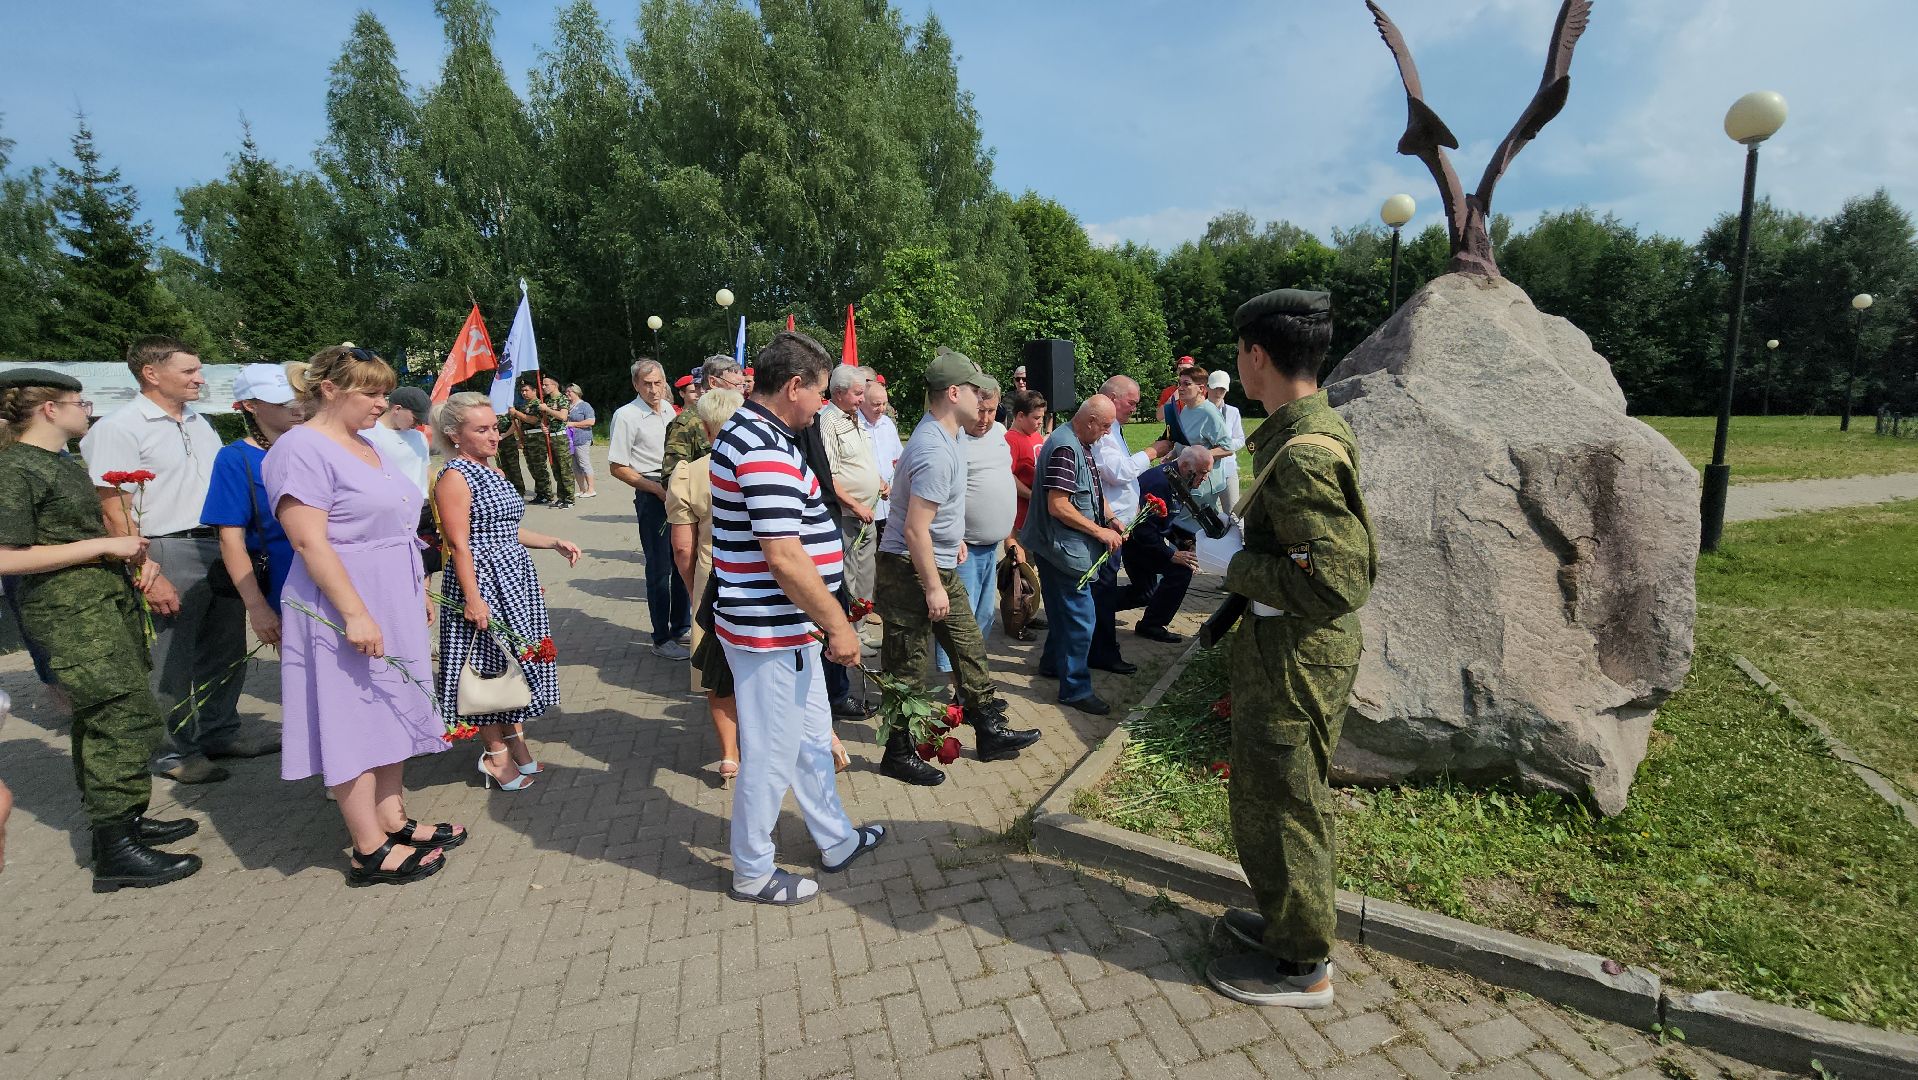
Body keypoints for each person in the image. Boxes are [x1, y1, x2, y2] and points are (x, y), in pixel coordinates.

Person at [1205, 289, 1376, 1009]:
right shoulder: (1301, 432)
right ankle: (1284, 923)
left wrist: (1230, 565)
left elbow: (1339, 579)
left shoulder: (1301, 452)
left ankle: (1305, 963)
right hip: (1288, 646)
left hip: (1298, 653)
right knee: (1268, 793)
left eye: (1239, 353)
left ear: (1256, 356)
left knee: (1286, 803)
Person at [266, 346, 465, 886]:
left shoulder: (364, 443)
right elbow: (309, 541)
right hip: (342, 598)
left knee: (393, 701)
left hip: (390, 592)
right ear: (329, 389)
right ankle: (367, 846)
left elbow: (397, 526)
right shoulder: (301, 448)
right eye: (371, 393)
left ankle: (392, 817)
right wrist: (354, 613)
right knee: (351, 712)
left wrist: (414, 587)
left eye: (384, 392)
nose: (383, 403)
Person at [0, 368, 201, 891]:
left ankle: (124, 820)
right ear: (50, 408)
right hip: (70, 615)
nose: (85, 410)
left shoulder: (58, 461)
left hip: (102, 604)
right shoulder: (14, 468)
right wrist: (103, 548)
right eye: (78, 402)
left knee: (107, 717)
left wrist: (131, 559)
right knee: (123, 717)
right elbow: (6, 556)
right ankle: (115, 849)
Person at [711, 331, 884, 906]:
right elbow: (783, 555)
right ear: (793, 387)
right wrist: (838, 623)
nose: (821, 404)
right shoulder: (762, 445)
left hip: (787, 627)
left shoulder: (762, 433)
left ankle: (834, 839)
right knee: (771, 752)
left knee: (811, 739)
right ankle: (753, 871)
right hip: (769, 629)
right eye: (817, 392)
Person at [82, 336, 264, 785]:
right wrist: (142, 566)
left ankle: (221, 732)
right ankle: (172, 753)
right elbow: (112, 506)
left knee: (225, 650)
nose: (200, 378)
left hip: (216, 545)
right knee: (170, 659)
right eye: (189, 371)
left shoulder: (199, 422)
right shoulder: (120, 427)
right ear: (151, 373)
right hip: (166, 548)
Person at [875, 349, 1039, 786]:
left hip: (935, 561)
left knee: (968, 646)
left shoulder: (950, 437)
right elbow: (913, 531)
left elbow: (934, 519)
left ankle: (989, 732)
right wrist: (933, 587)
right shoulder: (934, 447)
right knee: (907, 664)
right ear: (953, 393)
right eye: (973, 389)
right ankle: (897, 752)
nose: (982, 396)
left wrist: (953, 543)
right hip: (910, 568)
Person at [431, 392, 581, 792]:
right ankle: (494, 755)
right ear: (454, 434)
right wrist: (473, 598)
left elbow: (506, 529)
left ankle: (515, 741)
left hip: (513, 576)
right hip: (481, 579)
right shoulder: (455, 477)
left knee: (515, 662)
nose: (494, 436)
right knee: (488, 666)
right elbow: (460, 544)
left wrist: (552, 541)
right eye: (481, 430)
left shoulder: (492, 471)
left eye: (494, 427)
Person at [1023, 396, 1128, 716]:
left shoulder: (1078, 441)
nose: (1108, 433)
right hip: (1061, 549)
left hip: (1057, 546)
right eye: (1106, 426)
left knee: (1062, 611)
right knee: (1081, 619)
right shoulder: (1066, 448)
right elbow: (1059, 505)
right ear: (1091, 421)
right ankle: (1075, 689)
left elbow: (1090, 489)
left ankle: (1053, 665)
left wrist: (1109, 517)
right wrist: (1100, 532)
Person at [667, 387, 745, 783]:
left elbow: (682, 548)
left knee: (718, 671)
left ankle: (729, 755)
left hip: (711, 577)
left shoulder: (689, 472)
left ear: (705, 426)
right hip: (760, 577)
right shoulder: (764, 463)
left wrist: (692, 585)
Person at [202, 364, 304, 652]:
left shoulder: (318, 447)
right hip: (286, 588)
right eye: (284, 403)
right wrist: (257, 607)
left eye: (301, 399)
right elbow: (230, 539)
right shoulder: (236, 459)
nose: (297, 409)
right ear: (250, 406)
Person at [1087, 376, 1172, 678]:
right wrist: (1152, 452)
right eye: (1131, 402)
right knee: (1102, 590)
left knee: (1104, 590)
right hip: (1106, 526)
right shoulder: (1104, 432)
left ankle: (1095, 649)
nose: (1135, 408)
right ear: (1111, 397)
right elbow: (1117, 471)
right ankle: (1102, 652)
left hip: (1119, 523)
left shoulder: (1115, 429)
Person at [607, 358, 690, 659]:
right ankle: (661, 637)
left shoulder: (669, 409)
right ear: (636, 385)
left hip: (677, 487)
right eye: (647, 384)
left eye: (658, 383)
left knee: (683, 560)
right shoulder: (627, 415)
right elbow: (617, 467)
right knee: (659, 568)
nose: (654, 390)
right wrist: (655, 489)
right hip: (652, 492)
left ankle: (681, 626)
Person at [933, 377, 1015, 679]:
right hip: (962, 547)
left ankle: (971, 677)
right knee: (959, 619)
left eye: (992, 411)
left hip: (991, 545)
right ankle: (957, 683)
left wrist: (1009, 535)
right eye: (980, 410)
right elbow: (938, 497)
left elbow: (1003, 483)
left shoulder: (1000, 433)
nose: (985, 419)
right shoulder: (953, 438)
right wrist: (952, 537)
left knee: (984, 615)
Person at [819, 365, 881, 658]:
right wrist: (855, 505)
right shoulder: (828, 422)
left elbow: (860, 461)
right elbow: (829, 476)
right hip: (848, 516)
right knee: (849, 577)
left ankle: (863, 629)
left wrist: (877, 481)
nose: (861, 399)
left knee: (866, 575)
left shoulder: (855, 418)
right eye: (858, 393)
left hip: (869, 513)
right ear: (840, 392)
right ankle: (848, 634)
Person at [1120, 451, 1207, 645]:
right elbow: (1143, 529)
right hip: (1137, 542)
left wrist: (1185, 541)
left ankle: (1095, 607)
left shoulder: (1176, 478)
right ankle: (1152, 625)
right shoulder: (1160, 483)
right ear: (1185, 466)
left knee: (1145, 594)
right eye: (1202, 472)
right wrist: (1172, 554)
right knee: (1181, 570)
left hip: (1146, 540)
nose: (1204, 478)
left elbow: (1163, 522)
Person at [1168, 364, 1234, 534]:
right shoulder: (1186, 410)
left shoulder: (1209, 412)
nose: (1180, 388)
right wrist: (1173, 453)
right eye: (1179, 384)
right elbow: (1186, 443)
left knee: (1197, 529)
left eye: (1186, 384)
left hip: (1202, 484)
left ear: (1201, 389)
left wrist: (1197, 456)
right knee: (1181, 525)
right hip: (1185, 481)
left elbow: (1227, 447)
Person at [663, 355, 739, 482]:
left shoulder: (741, 416)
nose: (741, 389)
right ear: (713, 383)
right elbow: (672, 478)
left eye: (741, 384)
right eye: (736, 384)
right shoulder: (687, 423)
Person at [364, 385, 432, 498]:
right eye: (416, 419)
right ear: (397, 409)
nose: (419, 424)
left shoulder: (419, 437)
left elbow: (426, 469)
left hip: (423, 505)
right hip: (392, 506)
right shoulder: (369, 435)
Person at [506, 380, 558, 506]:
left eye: (526, 390)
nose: (524, 393)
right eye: (522, 391)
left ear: (534, 391)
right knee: (532, 467)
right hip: (528, 439)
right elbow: (520, 423)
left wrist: (517, 413)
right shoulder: (525, 405)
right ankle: (540, 493)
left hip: (537, 439)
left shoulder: (537, 404)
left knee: (539, 467)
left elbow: (533, 419)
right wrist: (520, 438)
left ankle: (546, 494)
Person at [1208, 370, 1248, 517]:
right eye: (1215, 387)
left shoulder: (1232, 412)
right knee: (1206, 514)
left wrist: (1224, 446)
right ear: (1207, 387)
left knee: (1234, 514)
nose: (1218, 392)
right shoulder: (1197, 411)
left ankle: (1236, 540)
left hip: (1228, 470)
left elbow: (1240, 439)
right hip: (1205, 471)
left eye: (1222, 389)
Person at [536, 376, 576, 509]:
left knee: (565, 469)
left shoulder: (562, 398)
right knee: (556, 468)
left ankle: (569, 498)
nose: (543, 387)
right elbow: (545, 418)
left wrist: (547, 409)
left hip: (560, 437)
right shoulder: (546, 401)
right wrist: (543, 426)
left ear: (555, 385)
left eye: (546, 384)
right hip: (550, 437)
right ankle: (561, 496)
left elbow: (563, 416)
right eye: (543, 384)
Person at [563, 383, 597, 499]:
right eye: (566, 392)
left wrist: (573, 424)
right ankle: (582, 489)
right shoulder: (567, 406)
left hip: (582, 439)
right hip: (569, 440)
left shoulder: (585, 406)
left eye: (569, 392)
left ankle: (591, 489)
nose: (567, 394)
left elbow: (591, 421)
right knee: (575, 465)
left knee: (584, 463)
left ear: (576, 392)